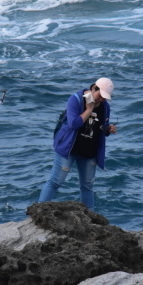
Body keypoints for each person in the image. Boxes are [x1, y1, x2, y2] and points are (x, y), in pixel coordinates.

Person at [38, 78, 117, 211]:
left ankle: (90, 219)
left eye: (105, 98)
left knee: (87, 187)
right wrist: (89, 109)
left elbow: (99, 127)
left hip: (89, 152)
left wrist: (107, 129)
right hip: (69, 149)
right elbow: (73, 124)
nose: (101, 100)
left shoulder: (105, 107)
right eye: (100, 96)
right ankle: (39, 211)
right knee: (55, 182)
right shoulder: (76, 99)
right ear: (93, 88)